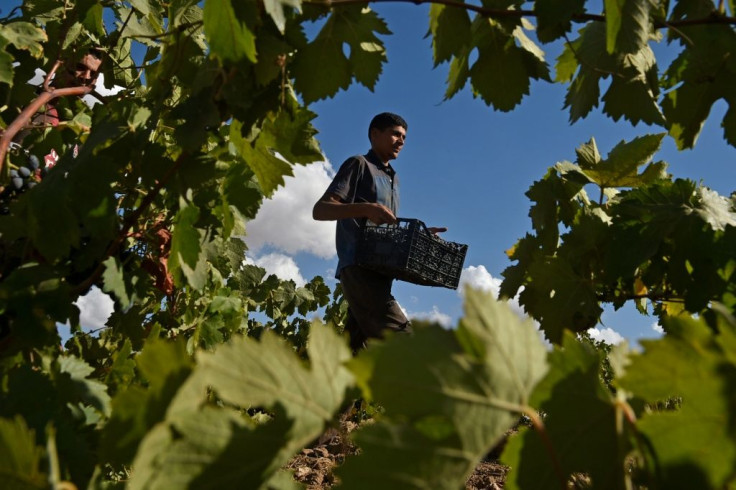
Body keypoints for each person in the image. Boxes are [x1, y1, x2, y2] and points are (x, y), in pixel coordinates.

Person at [313, 112, 446, 352]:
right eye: (395, 134)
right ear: (375, 134)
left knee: (353, 352)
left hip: (381, 272)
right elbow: (321, 210)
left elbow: (385, 226)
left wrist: (420, 236)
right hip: (359, 268)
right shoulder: (359, 164)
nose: (401, 141)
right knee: (405, 343)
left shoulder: (393, 178)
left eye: (404, 137)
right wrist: (365, 207)